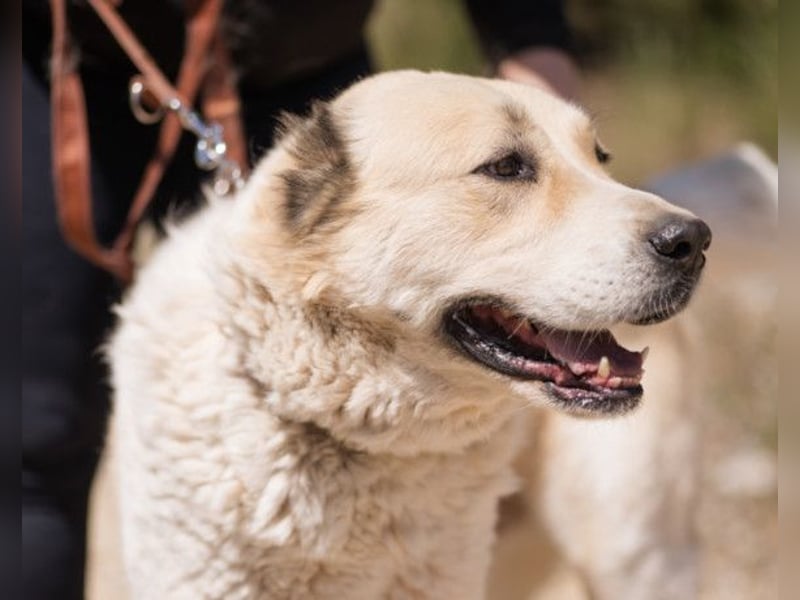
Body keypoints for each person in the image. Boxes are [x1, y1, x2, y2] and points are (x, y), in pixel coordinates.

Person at [22, 1, 579, 597]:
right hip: (66, 63)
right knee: (32, 425)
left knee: (398, 413)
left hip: (309, 69)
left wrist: (531, 44)